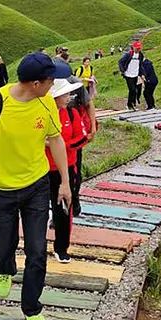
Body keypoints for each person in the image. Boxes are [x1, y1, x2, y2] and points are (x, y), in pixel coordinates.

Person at [0, 53, 69, 320]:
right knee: (2, 247)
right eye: (50, 80)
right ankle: (5, 269)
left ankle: (31, 307)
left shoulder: (46, 103)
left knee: (36, 251)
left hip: (36, 185)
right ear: (35, 83)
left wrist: (65, 183)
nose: (53, 85)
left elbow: (55, 140)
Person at [46, 78, 83, 263]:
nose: (69, 97)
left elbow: (82, 138)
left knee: (63, 208)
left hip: (66, 169)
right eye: (66, 94)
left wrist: (59, 145)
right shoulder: (43, 113)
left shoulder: (72, 113)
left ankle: (61, 248)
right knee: (37, 208)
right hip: (41, 168)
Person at [67, 77, 95, 217]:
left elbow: (89, 103)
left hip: (74, 132)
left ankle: (75, 198)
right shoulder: (45, 83)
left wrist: (93, 126)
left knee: (74, 168)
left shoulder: (74, 83)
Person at [118, 41, 145, 110]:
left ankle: (132, 105)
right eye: (137, 48)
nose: (138, 49)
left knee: (135, 90)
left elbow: (140, 65)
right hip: (128, 74)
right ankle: (130, 105)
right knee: (133, 90)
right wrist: (123, 71)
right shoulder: (129, 54)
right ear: (133, 47)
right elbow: (120, 62)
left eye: (139, 48)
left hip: (135, 74)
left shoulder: (140, 55)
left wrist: (142, 74)